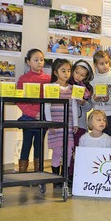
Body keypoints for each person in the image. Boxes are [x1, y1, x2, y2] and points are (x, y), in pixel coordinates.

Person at [44, 59, 78, 189]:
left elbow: (74, 106)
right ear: (55, 72)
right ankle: (55, 179)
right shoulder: (50, 87)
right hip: (56, 125)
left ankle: (64, 177)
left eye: (69, 71)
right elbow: (47, 106)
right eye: (63, 70)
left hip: (68, 125)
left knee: (68, 151)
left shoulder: (72, 89)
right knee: (57, 151)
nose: (66, 73)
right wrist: (50, 124)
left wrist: (75, 123)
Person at [16, 49, 50, 173]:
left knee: (39, 145)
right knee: (26, 143)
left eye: (41, 60)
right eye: (36, 60)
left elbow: (50, 98)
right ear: (28, 62)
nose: (40, 62)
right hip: (29, 117)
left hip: (43, 117)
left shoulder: (48, 79)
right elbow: (19, 100)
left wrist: (44, 113)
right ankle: (22, 171)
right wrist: (32, 113)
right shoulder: (23, 79)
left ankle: (38, 171)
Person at [91, 51, 111, 137]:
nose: (105, 66)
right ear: (96, 65)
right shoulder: (92, 78)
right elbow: (91, 98)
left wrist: (108, 100)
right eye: (101, 64)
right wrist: (95, 99)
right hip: (97, 114)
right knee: (97, 140)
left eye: (107, 62)